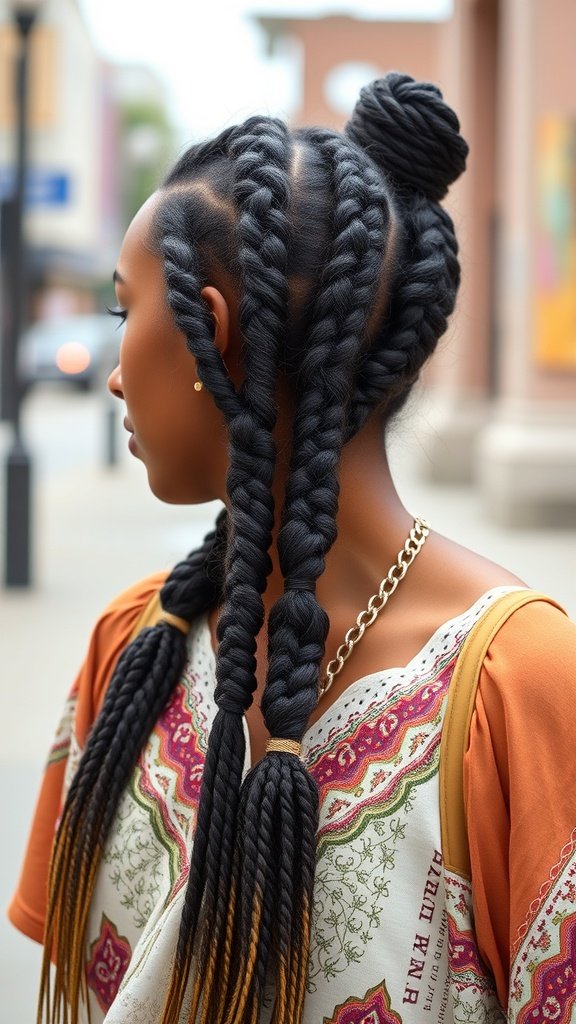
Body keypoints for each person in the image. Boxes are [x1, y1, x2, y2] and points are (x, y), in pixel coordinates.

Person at [8, 73, 576, 1024]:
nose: (110, 376)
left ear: (212, 332)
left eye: (122, 312)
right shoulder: (131, 646)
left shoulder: (517, 685)